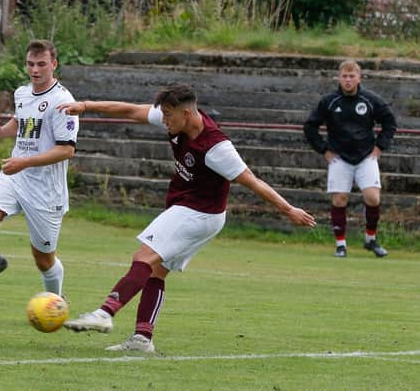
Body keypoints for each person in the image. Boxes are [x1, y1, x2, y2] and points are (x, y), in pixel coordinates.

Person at [56, 83, 316, 352]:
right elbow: (132, 111)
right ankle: (142, 339)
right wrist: (86, 107)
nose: (164, 120)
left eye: (168, 115)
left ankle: (104, 313)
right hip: (195, 211)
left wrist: (288, 210)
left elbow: (251, 181)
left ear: (187, 114)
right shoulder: (177, 119)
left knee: (143, 257)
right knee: (156, 270)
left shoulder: (217, 148)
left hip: (199, 213)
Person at [0, 39, 79, 297]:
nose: (35, 70)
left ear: (54, 64)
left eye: (41, 64)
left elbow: (66, 150)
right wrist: (0, 132)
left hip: (45, 190)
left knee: (43, 260)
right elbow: (21, 122)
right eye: (30, 64)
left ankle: (54, 301)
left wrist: (24, 162)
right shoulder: (22, 93)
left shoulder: (63, 102)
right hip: (14, 178)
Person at [304, 60, 397, 258]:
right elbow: (310, 127)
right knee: (339, 199)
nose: (348, 80)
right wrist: (324, 149)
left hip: (365, 156)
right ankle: (341, 245)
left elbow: (390, 122)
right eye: (344, 76)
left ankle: (370, 240)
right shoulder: (329, 101)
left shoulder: (370, 100)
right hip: (339, 157)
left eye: (351, 76)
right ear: (339, 78)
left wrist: (380, 146)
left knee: (373, 197)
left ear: (358, 78)